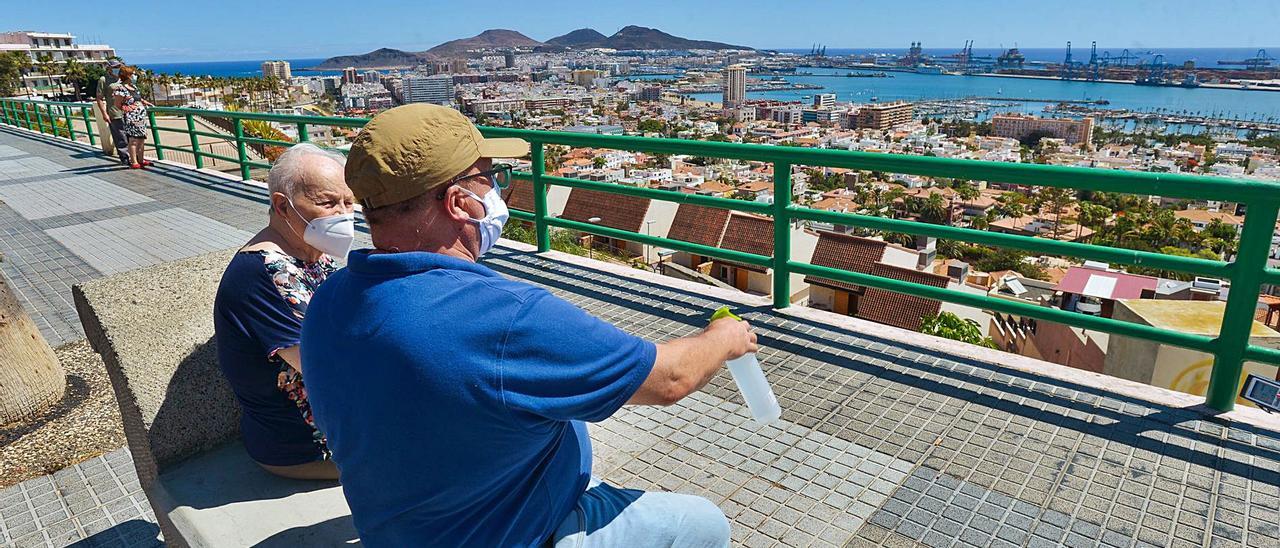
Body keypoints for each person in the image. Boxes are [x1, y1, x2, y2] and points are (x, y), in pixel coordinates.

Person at [301, 104, 753, 547]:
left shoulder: (329, 300)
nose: (499, 190)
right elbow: (670, 378)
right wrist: (722, 337)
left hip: (405, 527)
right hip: (519, 531)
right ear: (461, 203)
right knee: (702, 523)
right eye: (491, 178)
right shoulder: (503, 316)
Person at [213, 143, 356, 480]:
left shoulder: (313, 253)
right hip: (306, 446)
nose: (344, 215)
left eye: (348, 202)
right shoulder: (265, 273)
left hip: (344, 428)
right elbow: (329, 368)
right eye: (328, 202)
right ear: (282, 206)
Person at [94, 59, 129, 165]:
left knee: (131, 135)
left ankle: (135, 156)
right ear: (109, 67)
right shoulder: (103, 80)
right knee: (120, 136)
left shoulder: (123, 78)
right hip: (114, 112)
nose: (116, 69)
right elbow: (99, 98)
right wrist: (104, 113)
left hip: (128, 111)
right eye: (114, 67)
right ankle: (124, 157)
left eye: (118, 66)